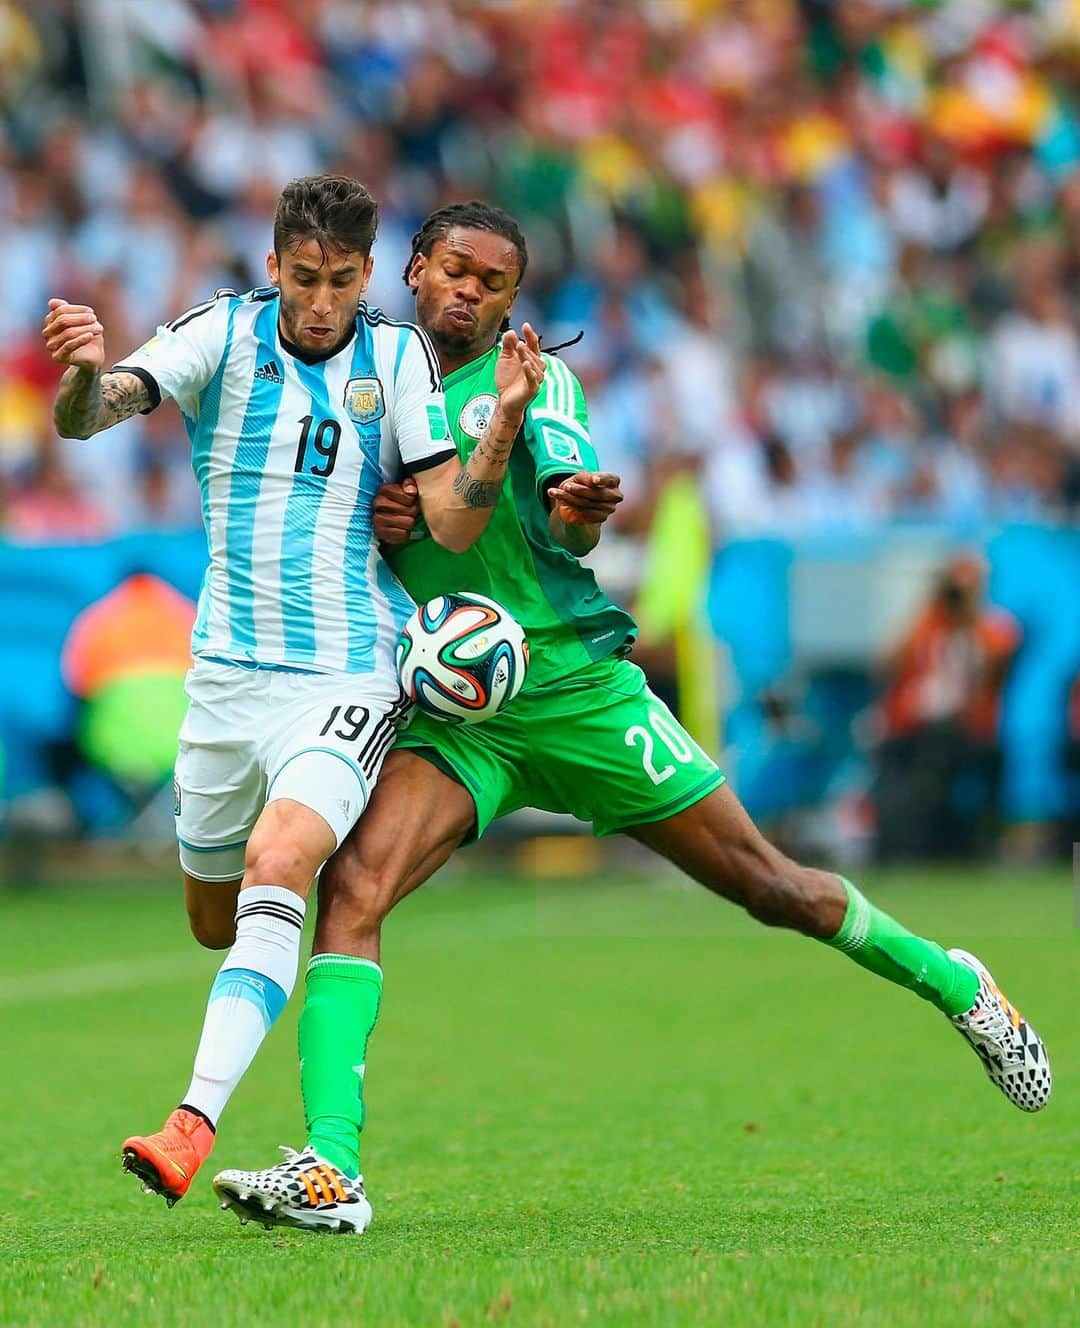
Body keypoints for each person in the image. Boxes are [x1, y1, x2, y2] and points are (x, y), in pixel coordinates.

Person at [210, 202, 1051, 1235]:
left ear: (512, 300)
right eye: (456, 269)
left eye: (494, 281)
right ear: (415, 268)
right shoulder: (360, 379)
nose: (470, 292)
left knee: (769, 885)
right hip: (456, 710)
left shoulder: (533, 379)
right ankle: (333, 1166)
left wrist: (579, 506)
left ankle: (953, 980)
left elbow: (567, 501)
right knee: (357, 885)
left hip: (573, 686)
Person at [43, 176, 545, 1210]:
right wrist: (86, 378)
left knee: (285, 861)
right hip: (225, 681)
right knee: (214, 917)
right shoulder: (218, 336)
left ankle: (193, 1120)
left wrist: (499, 428)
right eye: (305, 278)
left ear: (370, 275)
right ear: (274, 266)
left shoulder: (397, 356)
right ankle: (271, 940)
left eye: (344, 281)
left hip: (349, 670)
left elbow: (451, 521)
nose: (323, 301)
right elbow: (96, 413)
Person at [875, 553, 1020, 860]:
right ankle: (906, 847)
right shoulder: (926, 624)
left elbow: (998, 662)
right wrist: (930, 611)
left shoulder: (991, 628)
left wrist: (968, 618)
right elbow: (888, 663)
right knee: (916, 772)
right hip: (916, 728)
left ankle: (974, 846)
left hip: (966, 729)